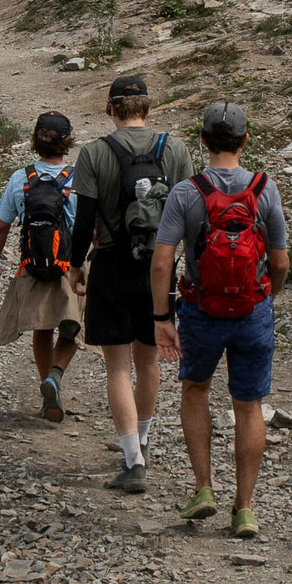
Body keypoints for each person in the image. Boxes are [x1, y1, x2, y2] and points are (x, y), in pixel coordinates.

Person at [151, 101, 289, 538]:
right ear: (246, 140)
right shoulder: (265, 190)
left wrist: (162, 316)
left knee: (195, 390)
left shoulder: (186, 192)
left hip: (201, 310)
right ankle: (245, 508)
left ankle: (203, 488)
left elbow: (161, 262)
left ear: (204, 141)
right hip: (253, 311)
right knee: (248, 406)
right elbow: (281, 261)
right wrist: (268, 297)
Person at [67, 76, 194, 493]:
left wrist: (75, 267)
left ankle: (132, 459)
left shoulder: (94, 153)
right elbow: (192, 217)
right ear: (148, 106)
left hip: (111, 265)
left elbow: (84, 220)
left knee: (117, 365)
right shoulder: (175, 150)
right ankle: (142, 437)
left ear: (111, 109)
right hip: (158, 267)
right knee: (149, 361)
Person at [0, 111, 83, 423]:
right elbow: (90, 229)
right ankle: (55, 375)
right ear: (68, 142)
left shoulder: (20, 178)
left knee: (42, 327)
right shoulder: (77, 178)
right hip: (69, 266)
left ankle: (47, 390)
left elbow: (1, 227)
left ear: (35, 140)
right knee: (75, 326)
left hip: (32, 265)